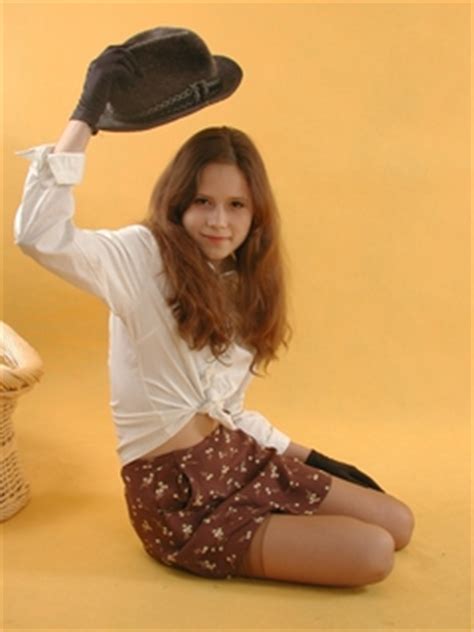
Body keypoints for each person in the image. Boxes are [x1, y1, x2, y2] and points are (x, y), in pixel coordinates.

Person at [14, 42, 414, 587]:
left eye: (236, 205)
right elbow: (40, 236)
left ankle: (286, 526)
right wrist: (85, 117)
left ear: (256, 213)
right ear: (178, 202)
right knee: (373, 554)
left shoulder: (242, 282)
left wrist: (310, 457)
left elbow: (229, 409)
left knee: (397, 522)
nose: (218, 221)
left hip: (236, 456)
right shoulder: (140, 257)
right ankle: (270, 534)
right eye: (203, 202)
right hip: (177, 494)